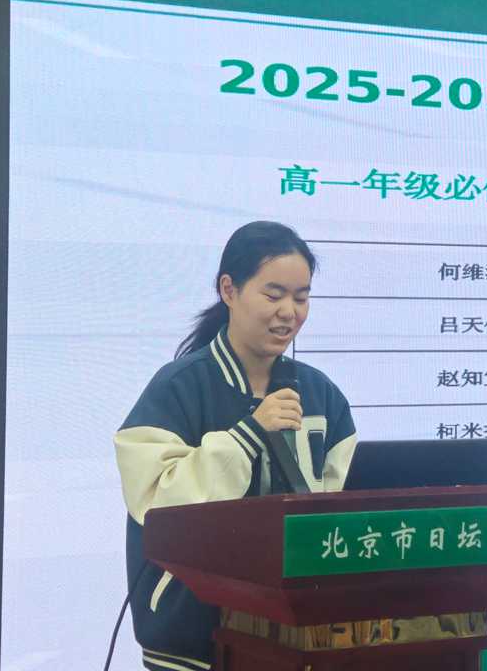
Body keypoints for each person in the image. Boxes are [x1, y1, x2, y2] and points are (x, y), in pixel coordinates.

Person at [114, 221, 356, 671]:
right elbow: (156, 502)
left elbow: (341, 508)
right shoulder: (180, 387)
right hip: (191, 641)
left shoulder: (322, 396)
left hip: (296, 640)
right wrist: (248, 435)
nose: (289, 312)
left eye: (301, 298)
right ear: (229, 290)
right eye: (273, 294)